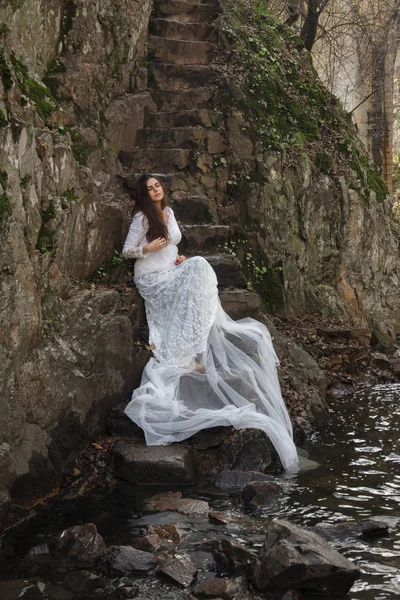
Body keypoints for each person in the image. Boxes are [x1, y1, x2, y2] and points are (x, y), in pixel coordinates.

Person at [122, 174, 299, 472]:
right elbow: (127, 251)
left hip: (169, 270)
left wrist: (177, 257)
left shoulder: (171, 212)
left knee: (199, 266)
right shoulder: (142, 217)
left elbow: (172, 246)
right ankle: (184, 355)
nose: (155, 190)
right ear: (143, 194)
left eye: (157, 186)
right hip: (151, 278)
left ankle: (191, 348)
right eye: (149, 188)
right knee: (199, 271)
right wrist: (147, 249)